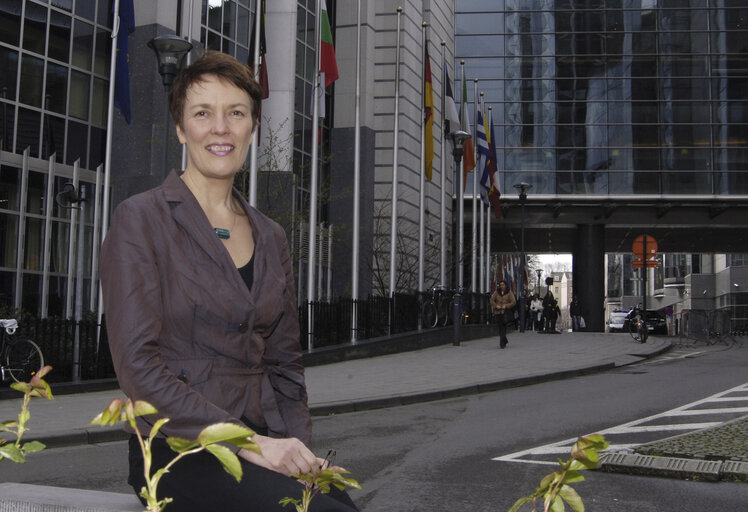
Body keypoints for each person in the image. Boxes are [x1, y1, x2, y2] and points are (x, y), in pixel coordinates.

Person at [100, 52, 358, 512]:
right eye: (203, 113)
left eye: (235, 113)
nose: (220, 128)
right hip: (177, 446)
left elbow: (285, 365)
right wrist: (251, 444)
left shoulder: (271, 235)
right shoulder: (140, 220)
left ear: (251, 128)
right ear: (182, 129)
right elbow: (137, 367)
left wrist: (294, 447)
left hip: (264, 437)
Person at [490, 280, 516, 349]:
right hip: (498, 312)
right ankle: (504, 340)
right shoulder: (496, 292)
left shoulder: (509, 292)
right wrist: (496, 306)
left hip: (505, 313)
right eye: (500, 285)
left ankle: (502, 343)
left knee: (503, 327)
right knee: (500, 327)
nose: (501, 286)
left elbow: (513, 302)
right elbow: (492, 300)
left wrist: (506, 306)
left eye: (503, 285)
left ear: (506, 285)